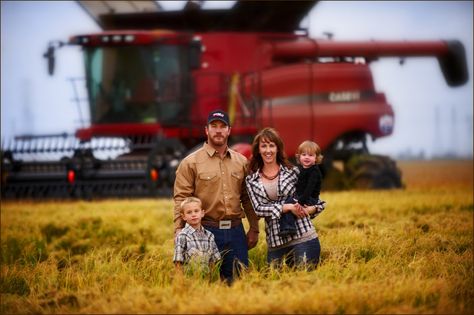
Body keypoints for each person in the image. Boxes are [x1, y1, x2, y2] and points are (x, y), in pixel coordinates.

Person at [173, 109, 259, 284]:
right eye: (214, 126)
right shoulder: (190, 163)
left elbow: (248, 197)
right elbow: (181, 198)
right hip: (204, 232)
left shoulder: (242, 162)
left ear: (229, 130)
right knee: (206, 282)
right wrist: (178, 229)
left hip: (236, 232)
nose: (218, 130)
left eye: (223, 126)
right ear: (206, 130)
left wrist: (254, 228)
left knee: (239, 283)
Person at [245, 127, 325, 268]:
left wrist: (311, 209)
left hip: (303, 237)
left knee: (305, 284)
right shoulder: (251, 180)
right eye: (264, 146)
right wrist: (286, 207)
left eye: (271, 145)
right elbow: (258, 209)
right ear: (258, 150)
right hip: (276, 242)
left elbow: (315, 199)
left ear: (277, 148)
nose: (268, 150)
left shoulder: (293, 171)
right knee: (276, 286)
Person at [279, 140, 325, 237]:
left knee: (289, 203)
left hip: (310, 198)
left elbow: (309, 188)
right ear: (299, 157)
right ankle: (287, 227)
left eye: (310, 155)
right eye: (304, 154)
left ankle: (289, 227)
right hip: (302, 196)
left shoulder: (314, 172)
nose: (307, 157)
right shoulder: (303, 169)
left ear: (316, 158)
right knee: (287, 203)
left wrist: (300, 201)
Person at [173, 197, 221, 275]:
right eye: (189, 212)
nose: (193, 214)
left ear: (202, 213)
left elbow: (213, 262)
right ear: (183, 216)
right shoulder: (182, 235)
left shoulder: (209, 235)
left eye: (196, 211)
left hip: (206, 279)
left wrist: (212, 280)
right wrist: (181, 282)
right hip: (189, 278)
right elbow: (178, 262)